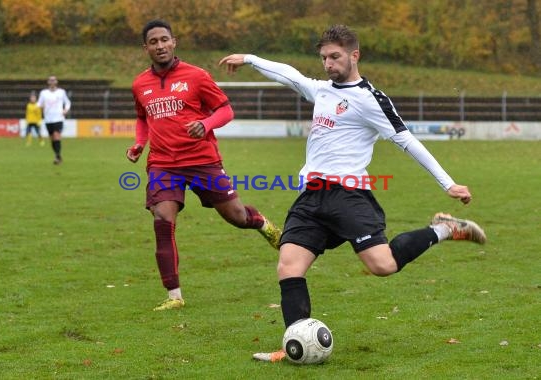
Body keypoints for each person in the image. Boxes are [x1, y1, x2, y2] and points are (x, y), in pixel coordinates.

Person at [219, 24, 487, 362]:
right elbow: (290, 76)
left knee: (383, 265)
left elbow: (407, 140)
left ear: (354, 55)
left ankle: (444, 228)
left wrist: (447, 183)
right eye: (324, 58)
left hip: (349, 196)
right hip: (311, 198)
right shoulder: (321, 90)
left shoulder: (370, 99)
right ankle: (295, 344)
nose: (328, 64)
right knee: (289, 267)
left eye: (335, 57)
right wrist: (250, 58)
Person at [126, 19, 282, 311]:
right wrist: (139, 143)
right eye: (153, 42)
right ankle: (174, 296)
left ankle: (261, 223)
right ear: (145, 47)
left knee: (236, 216)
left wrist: (206, 123)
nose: (159, 46)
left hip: (202, 160)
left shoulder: (196, 76)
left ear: (174, 42)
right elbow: (142, 118)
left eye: (164, 40)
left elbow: (225, 110)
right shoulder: (139, 84)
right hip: (163, 164)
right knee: (162, 219)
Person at [37, 75, 71, 164]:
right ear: (48, 82)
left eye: (54, 80)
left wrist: (65, 110)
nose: (52, 82)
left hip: (59, 118)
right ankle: (58, 156)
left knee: (56, 135)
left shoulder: (61, 92)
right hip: (48, 119)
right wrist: (41, 106)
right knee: (52, 138)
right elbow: (38, 104)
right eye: (50, 80)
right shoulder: (43, 93)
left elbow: (67, 102)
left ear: (56, 82)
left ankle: (57, 156)